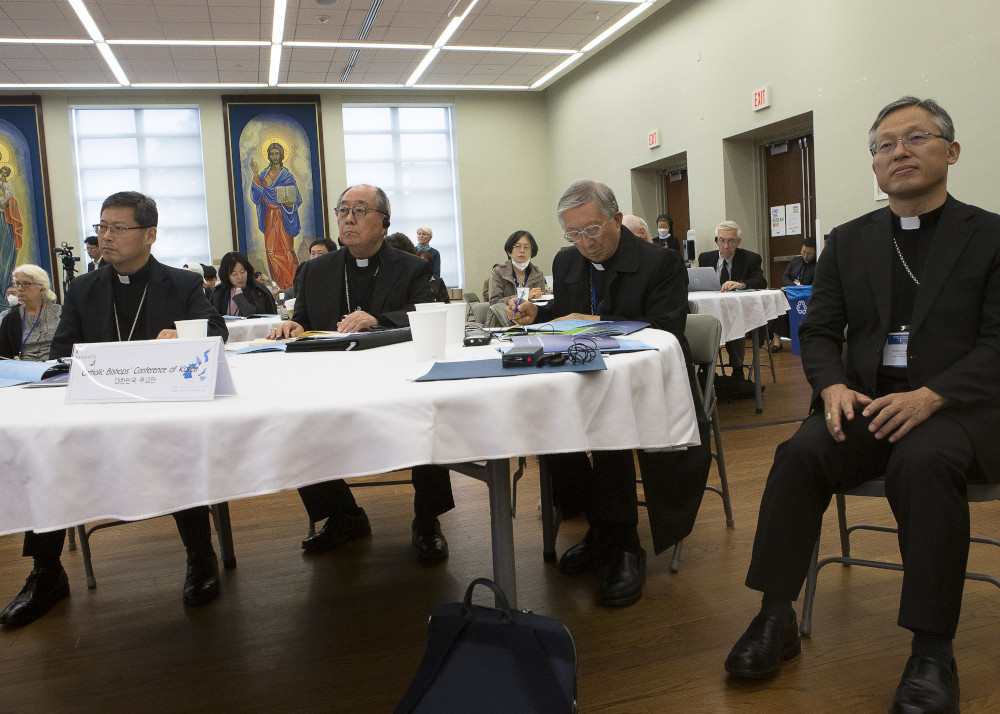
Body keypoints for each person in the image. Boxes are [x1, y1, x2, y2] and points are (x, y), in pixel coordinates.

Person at [723, 97, 1000, 714]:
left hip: (962, 409)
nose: (898, 152)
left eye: (915, 138)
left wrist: (935, 395)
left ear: (950, 152)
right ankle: (775, 616)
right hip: (869, 403)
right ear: (874, 166)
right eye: (883, 145)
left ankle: (932, 650)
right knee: (799, 453)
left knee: (922, 463)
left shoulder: (990, 236)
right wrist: (831, 387)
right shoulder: (849, 241)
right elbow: (819, 331)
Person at [0, 191, 229, 629]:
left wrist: (183, 337)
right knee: (48, 451)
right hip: (97, 408)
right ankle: (46, 573)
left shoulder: (180, 285)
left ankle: (201, 557)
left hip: (163, 410)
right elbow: (65, 351)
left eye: (118, 228)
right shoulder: (84, 287)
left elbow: (213, 331)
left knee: (178, 444)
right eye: (102, 227)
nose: (105, 236)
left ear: (150, 235)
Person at [506, 180, 711, 607]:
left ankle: (625, 547)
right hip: (582, 379)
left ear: (617, 219)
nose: (585, 243)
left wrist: (596, 319)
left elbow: (665, 328)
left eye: (593, 230)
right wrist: (538, 312)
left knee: (610, 437)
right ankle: (601, 528)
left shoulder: (661, 263)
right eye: (573, 234)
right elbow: (566, 313)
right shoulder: (567, 262)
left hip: (646, 385)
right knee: (549, 430)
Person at [268, 184, 454, 563]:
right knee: (298, 419)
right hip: (330, 377)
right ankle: (343, 515)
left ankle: (427, 518)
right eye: (343, 210)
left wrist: (378, 319)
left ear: (384, 223)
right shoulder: (314, 270)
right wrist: (293, 327)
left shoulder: (413, 267)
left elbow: (427, 314)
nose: (349, 218)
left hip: (397, 377)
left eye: (360, 210)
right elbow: (302, 319)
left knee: (425, 413)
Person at [697, 221, 767, 373]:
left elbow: (761, 282)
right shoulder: (705, 258)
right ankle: (706, 369)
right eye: (721, 240)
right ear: (716, 241)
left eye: (731, 241)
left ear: (738, 241)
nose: (726, 246)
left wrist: (741, 284)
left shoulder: (750, 258)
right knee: (700, 324)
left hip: (737, 311)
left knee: (735, 324)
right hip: (710, 310)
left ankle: (737, 369)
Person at [249, 142, 301, 289]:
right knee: (272, 252)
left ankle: (291, 285)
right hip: (270, 218)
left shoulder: (287, 175)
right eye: (271, 154)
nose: (274, 156)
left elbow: (296, 197)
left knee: (286, 251)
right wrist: (255, 174)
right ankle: (279, 285)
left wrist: (290, 204)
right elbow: (257, 197)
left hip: (284, 218)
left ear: (282, 155)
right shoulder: (263, 175)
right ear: (268, 156)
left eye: (277, 153)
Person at [0, 264, 61, 361]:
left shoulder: (62, 314)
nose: (19, 288)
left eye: (26, 283)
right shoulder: (10, 320)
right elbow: (3, 355)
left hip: (59, 368)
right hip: (24, 371)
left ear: (42, 289)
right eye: (17, 284)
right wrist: (12, 361)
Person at [485, 230, 545, 327]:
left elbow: (542, 305)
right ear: (509, 251)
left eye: (526, 247)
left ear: (531, 252)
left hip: (530, 324)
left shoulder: (538, 274)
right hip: (501, 324)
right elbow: (494, 302)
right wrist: (525, 296)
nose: (522, 250)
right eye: (517, 246)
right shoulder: (499, 272)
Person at [770, 237, 818, 350]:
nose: (805, 256)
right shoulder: (796, 260)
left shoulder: (817, 264)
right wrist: (793, 287)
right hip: (791, 291)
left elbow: (816, 281)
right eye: (803, 252)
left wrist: (803, 288)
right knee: (778, 300)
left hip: (806, 294)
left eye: (809, 254)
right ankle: (777, 341)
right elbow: (785, 276)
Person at [210, 251, 277, 317]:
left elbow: (253, 315)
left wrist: (238, 293)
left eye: (243, 272)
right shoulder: (219, 292)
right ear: (227, 276)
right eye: (234, 274)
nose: (240, 277)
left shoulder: (259, 289)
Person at [0, 164, 23, 288]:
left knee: (5, 254)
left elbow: (9, 198)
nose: (3, 174)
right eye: (2, 172)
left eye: (5, 172)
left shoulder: (7, 185)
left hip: (4, 218)